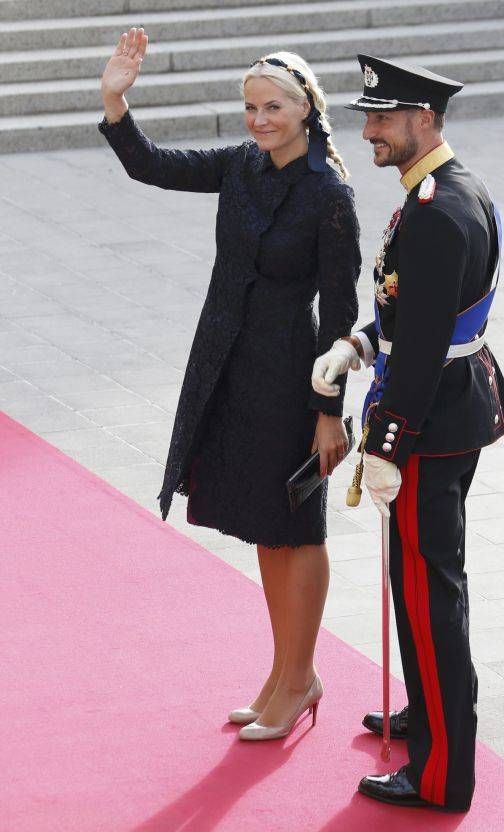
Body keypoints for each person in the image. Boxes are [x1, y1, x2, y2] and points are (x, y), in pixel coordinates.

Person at [99, 29, 360, 741]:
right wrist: (116, 101)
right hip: (231, 368)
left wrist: (328, 414)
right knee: (263, 528)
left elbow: (341, 319)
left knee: (296, 527)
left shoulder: (329, 193)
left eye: (271, 107)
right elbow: (152, 166)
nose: (258, 120)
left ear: (305, 109)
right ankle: (285, 675)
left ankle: (301, 676)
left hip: (290, 377)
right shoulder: (243, 166)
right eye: (249, 107)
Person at [312, 55, 504, 811]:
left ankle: (438, 775)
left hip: (426, 425)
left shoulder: (434, 211)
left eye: (381, 119)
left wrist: (389, 447)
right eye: (367, 117)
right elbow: (417, 312)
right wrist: (363, 344)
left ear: (424, 119)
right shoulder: (445, 189)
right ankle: (428, 713)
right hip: (447, 409)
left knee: (430, 596)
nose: (367, 131)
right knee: (423, 583)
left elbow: (428, 343)